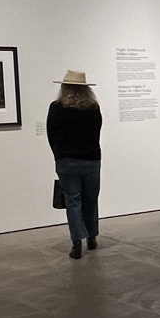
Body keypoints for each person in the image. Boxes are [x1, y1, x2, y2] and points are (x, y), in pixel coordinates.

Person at [47, 70, 102, 259]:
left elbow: (51, 134)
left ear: (64, 88)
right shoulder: (93, 108)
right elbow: (96, 133)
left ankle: (77, 243)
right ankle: (92, 237)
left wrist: (59, 155)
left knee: (73, 201)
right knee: (91, 199)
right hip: (91, 160)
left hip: (67, 161)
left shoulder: (56, 108)